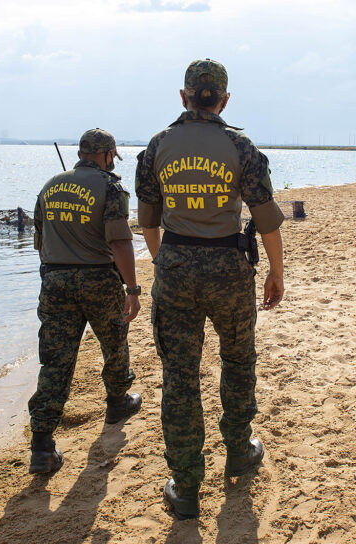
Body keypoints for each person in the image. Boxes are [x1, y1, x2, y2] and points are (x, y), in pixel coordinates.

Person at [135, 58, 285, 519]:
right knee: (238, 361)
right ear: (223, 99)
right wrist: (276, 272)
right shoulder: (241, 147)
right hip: (229, 269)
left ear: (183, 97)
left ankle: (185, 486)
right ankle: (238, 449)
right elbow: (265, 221)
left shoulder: (158, 145)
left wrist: (163, 260)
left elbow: (147, 220)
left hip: (176, 269)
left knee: (180, 377)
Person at [27, 128, 143, 474]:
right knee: (114, 343)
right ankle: (117, 401)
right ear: (107, 155)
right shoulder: (110, 188)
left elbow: (39, 239)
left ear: (81, 154)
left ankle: (42, 444)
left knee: (56, 361)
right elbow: (121, 242)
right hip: (97, 278)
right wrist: (132, 290)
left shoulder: (50, 186)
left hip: (55, 279)